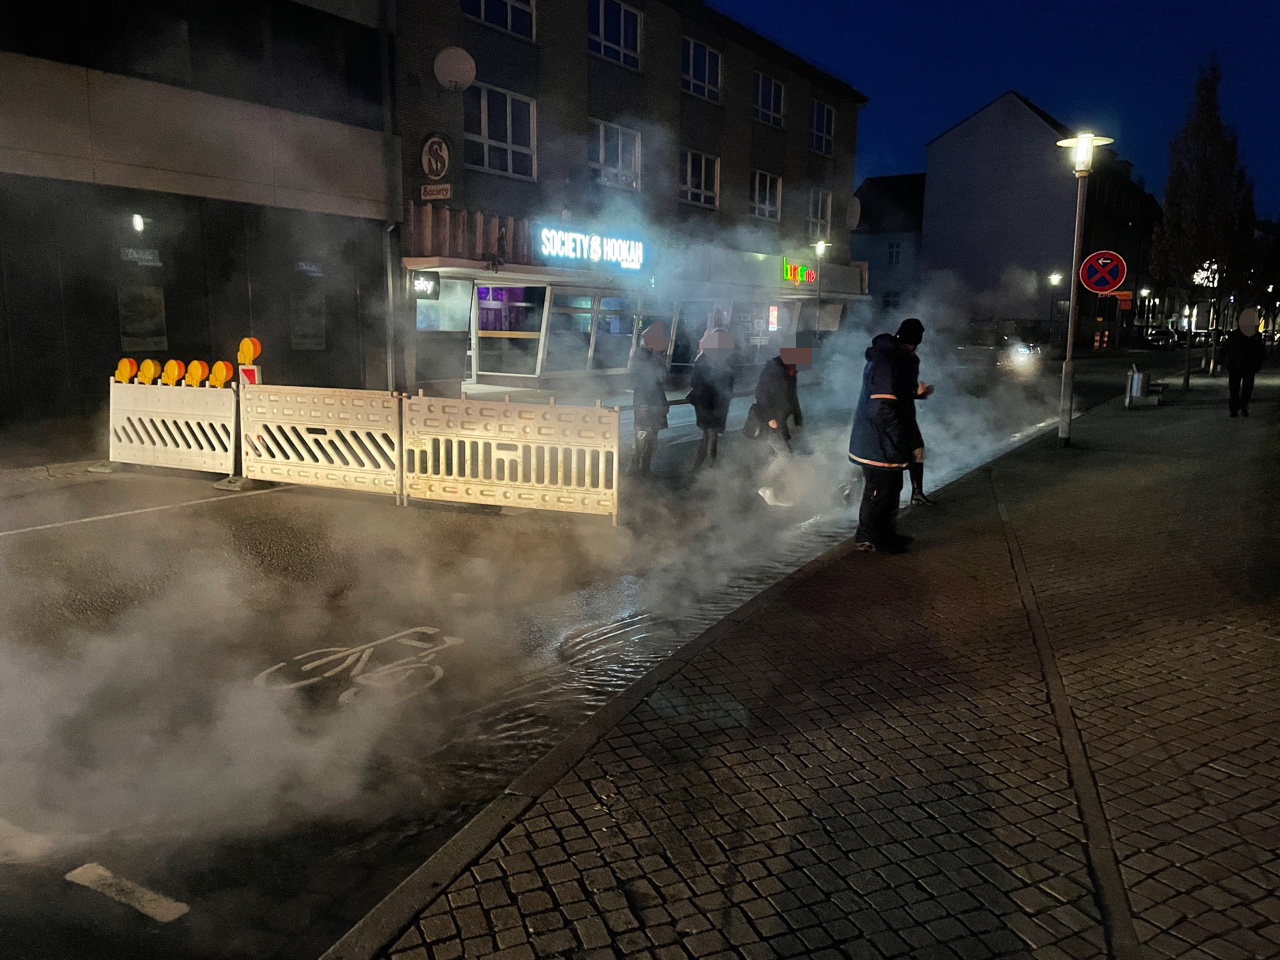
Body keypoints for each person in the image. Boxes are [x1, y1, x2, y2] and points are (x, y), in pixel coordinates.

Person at [846, 317, 934, 552]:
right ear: (914, 342)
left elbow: (896, 392)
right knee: (878, 491)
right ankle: (869, 538)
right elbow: (881, 406)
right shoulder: (888, 361)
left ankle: (886, 535)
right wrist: (898, 436)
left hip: (886, 440)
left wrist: (917, 393)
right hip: (879, 441)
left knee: (892, 488)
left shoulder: (895, 359)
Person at [755, 333, 810, 507]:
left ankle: (772, 492)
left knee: (777, 454)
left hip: (782, 420)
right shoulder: (773, 369)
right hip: (771, 420)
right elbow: (761, 394)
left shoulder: (790, 371)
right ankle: (764, 486)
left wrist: (798, 420)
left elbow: (793, 397)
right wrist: (770, 417)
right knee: (785, 455)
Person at [689, 327, 736, 469]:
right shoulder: (704, 360)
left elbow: (729, 381)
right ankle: (712, 470)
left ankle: (696, 468)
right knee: (712, 436)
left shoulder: (723, 360)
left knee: (707, 437)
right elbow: (696, 382)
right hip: (707, 405)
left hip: (718, 404)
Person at [630, 321, 670, 476]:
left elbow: (663, 377)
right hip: (644, 399)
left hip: (656, 399)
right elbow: (647, 378)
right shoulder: (642, 355)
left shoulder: (657, 356)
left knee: (652, 436)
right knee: (642, 434)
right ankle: (634, 466)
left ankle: (645, 467)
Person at [1222, 308, 1264, 417]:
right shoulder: (1236, 335)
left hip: (1247, 366)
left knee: (1246, 389)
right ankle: (1235, 409)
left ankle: (1241, 407)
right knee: (1235, 389)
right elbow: (1225, 349)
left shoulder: (1255, 336)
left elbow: (1260, 351)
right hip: (1236, 366)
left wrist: (1258, 363)